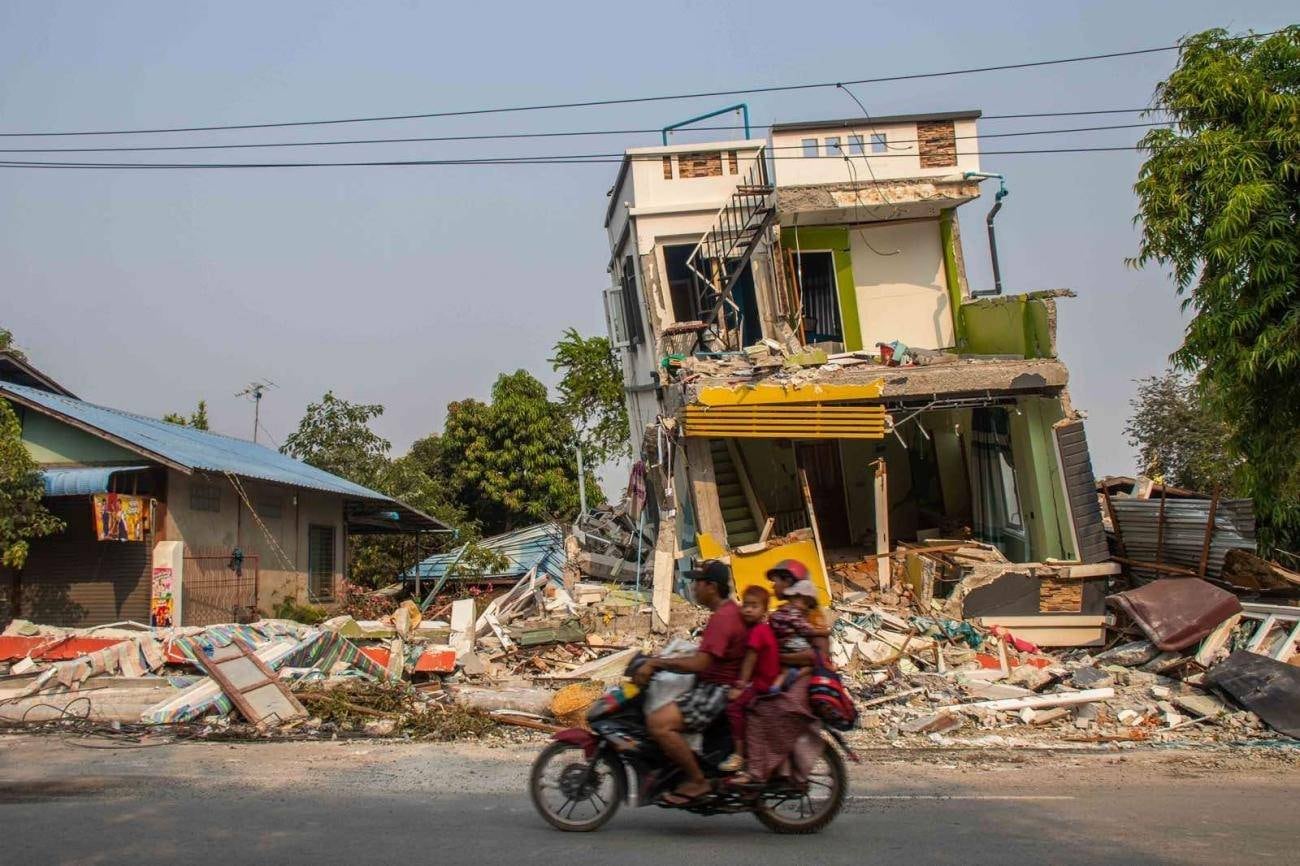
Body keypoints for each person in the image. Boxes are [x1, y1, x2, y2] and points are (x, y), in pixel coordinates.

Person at [632, 560, 747, 807]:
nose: (694, 587)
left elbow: (700, 664)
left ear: (712, 587)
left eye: (698, 582)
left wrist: (657, 664)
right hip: (715, 685)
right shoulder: (726, 612)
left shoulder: (722, 619)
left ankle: (697, 780)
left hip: (716, 691)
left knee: (658, 723)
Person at [718, 585, 779, 774]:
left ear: (764, 610)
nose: (749, 609)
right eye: (746, 605)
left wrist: (740, 686)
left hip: (762, 683)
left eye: (754, 606)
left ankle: (739, 754)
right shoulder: (760, 629)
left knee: (733, 707)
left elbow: (750, 660)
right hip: (766, 680)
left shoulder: (757, 631)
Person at [766, 560, 830, 670]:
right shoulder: (785, 611)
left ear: (788, 581)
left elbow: (816, 656)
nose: (773, 587)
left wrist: (777, 656)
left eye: (775, 582)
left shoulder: (811, 616)